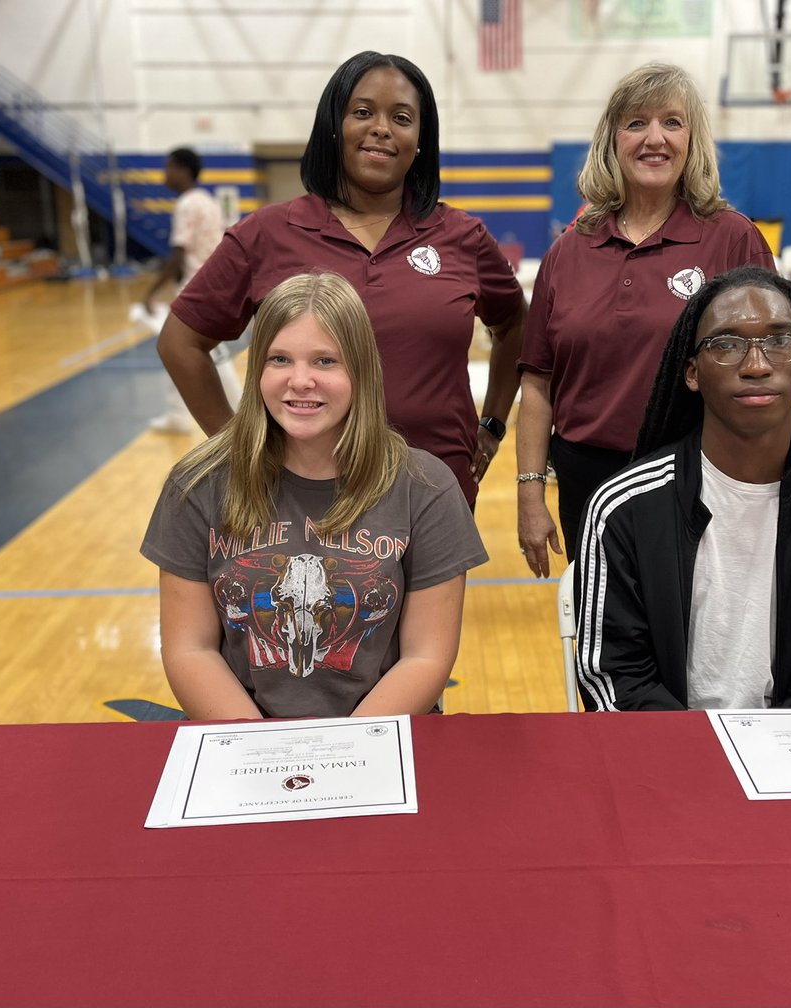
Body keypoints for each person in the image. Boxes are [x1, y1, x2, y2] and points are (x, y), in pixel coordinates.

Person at [156, 51, 526, 506]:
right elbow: (179, 341)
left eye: (403, 117)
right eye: (363, 112)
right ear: (335, 124)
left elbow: (515, 325)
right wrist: (238, 448)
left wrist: (491, 424)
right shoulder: (267, 234)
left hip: (434, 490)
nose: (382, 128)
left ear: (420, 139)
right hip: (300, 497)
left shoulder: (462, 236)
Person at [141, 272, 487, 720]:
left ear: (361, 370)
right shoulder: (197, 484)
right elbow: (191, 649)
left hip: (376, 738)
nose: (300, 381)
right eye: (279, 359)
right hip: (244, 742)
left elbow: (426, 657)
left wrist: (343, 752)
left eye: (325, 361)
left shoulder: (425, 487)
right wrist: (265, 752)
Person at [574, 267, 791, 712]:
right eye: (726, 344)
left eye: (779, 341)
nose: (757, 366)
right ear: (692, 373)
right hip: (665, 755)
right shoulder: (624, 510)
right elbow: (616, 679)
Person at [516, 62, 776, 576]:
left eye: (672, 122)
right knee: (608, 638)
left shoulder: (732, 239)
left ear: (692, 140)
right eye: (636, 122)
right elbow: (538, 385)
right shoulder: (568, 251)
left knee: (699, 640)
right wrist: (529, 493)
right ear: (612, 140)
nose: (654, 138)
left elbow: (773, 365)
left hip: (700, 474)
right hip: (588, 480)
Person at [141, 147, 241, 433]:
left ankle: (239, 418)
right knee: (175, 348)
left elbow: (177, 253)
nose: (165, 174)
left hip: (197, 289)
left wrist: (152, 291)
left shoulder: (186, 204)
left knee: (200, 352)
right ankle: (177, 415)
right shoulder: (208, 202)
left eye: (168, 167)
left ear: (184, 170)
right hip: (214, 283)